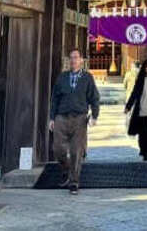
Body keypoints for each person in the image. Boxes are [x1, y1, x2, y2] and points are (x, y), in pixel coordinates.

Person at [48, 49, 100, 195]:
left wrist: (94, 116)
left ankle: (74, 181)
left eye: (76, 58)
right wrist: (52, 118)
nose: (73, 60)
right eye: (71, 58)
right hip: (61, 116)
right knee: (58, 149)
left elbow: (94, 98)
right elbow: (55, 99)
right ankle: (66, 170)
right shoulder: (62, 77)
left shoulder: (87, 77)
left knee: (76, 150)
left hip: (79, 118)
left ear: (82, 60)